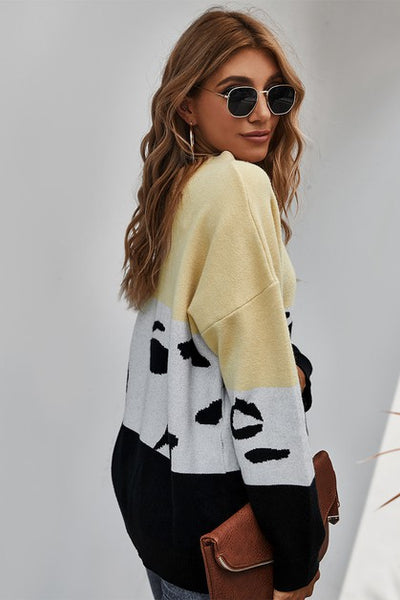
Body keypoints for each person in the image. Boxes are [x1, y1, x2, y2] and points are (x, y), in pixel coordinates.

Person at [111, 7, 325, 600]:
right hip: (220, 536)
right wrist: (298, 559)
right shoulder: (236, 186)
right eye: (238, 95)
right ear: (186, 104)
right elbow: (262, 396)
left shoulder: (176, 191)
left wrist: (293, 364)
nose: (262, 114)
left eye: (276, 95)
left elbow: (204, 349)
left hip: (155, 503)